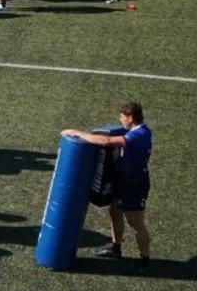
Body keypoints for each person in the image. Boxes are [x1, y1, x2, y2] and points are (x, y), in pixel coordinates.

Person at [61, 101, 152, 271]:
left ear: (131, 117)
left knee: (135, 223)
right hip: (124, 180)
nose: (120, 120)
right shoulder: (135, 131)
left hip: (134, 184)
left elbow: (107, 140)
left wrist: (77, 133)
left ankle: (144, 259)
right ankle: (115, 248)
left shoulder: (140, 134)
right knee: (114, 211)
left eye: (122, 117)